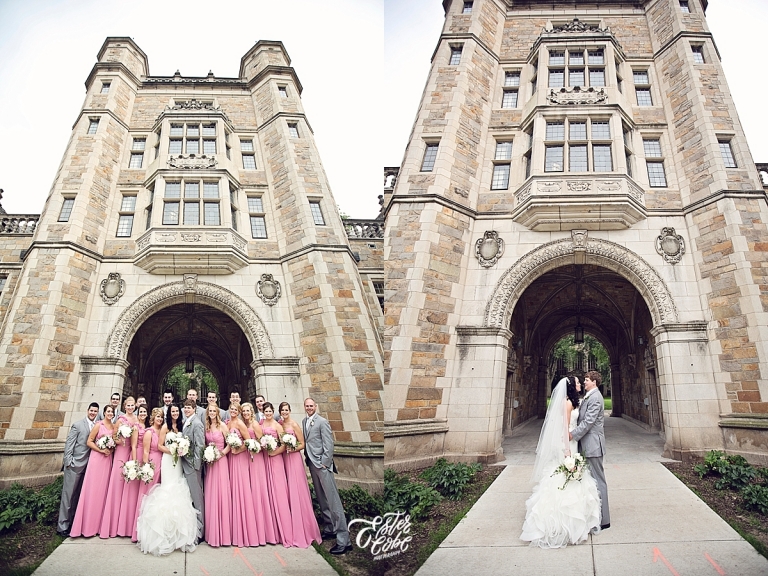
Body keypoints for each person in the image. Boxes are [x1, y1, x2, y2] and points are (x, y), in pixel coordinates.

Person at [520, 376, 601, 548]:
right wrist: (566, 449)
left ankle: (576, 520)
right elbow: (565, 427)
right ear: (572, 386)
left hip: (572, 440)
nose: (581, 384)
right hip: (567, 442)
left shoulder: (572, 401)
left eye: (582, 381)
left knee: (570, 478)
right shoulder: (567, 403)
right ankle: (561, 521)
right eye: (578, 382)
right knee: (564, 476)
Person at [135, 404, 199, 556]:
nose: (175, 413)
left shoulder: (183, 426)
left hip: (178, 463)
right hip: (168, 461)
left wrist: (182, 450)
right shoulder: (165, 427)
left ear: (180, 412)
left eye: (177, 411)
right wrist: (173, 450)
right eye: (173, 411)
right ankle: (163, 533)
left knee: (178, 489)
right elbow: (159, 445)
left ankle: (179, 533)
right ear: (169, 413)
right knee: (167, 489)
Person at [303, 398, 351, 554]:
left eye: (311, 405)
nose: (309, 408)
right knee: (322, 500)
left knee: (333, 502)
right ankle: (329, 528)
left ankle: (344, 540)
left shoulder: (322, 421)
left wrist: (325, 462)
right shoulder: (304, 421)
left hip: (322, 465)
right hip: (312, 463)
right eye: (307, 406)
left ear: (316, 406)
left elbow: (328, 443)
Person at [570, 370, 610, 530]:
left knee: (598, 481)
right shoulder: (590, 396)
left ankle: (604, 519)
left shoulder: (596, 398)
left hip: (593, 445)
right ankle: (593, 515)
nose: (584, 382)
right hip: (587, 444)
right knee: (590, 481)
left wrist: (572, 434)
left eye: (586, 380)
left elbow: (588, 421)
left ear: (594, 382)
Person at [70, 405, 116, 538]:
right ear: (104, 413)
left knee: (103, 491)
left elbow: (114, 444)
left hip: (107, 460)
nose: (110, 414)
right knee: (92, 490)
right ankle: (86, 526)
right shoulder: (98, 425)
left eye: (112, 412)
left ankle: (98, 526)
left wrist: (110, 450)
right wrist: (101, 450)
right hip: (96, 460)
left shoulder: (114, 428)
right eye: (108, 411)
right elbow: (89, 441)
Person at [280, 402, 322, 547]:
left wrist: (293, 448)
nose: (284, 412)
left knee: (297, 489)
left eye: (286, 410)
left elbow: (303, 443)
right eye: (282, 410)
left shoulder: (294, 424)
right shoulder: (280, 424)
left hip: (293, 458)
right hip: (283, 458)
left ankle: (305, 528)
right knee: (287, 492)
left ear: (290, 411)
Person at [57, 402, 99, 537]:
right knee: (68, 497)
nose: (93, 413)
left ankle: (73, 524)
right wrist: (68, 462)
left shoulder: (97, 425)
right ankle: (62, 526)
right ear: (88, 410)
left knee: (78, 497)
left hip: (88, 466)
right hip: (74, 465)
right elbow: (69, 444)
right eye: (91, 410)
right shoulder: (78, 425)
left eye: (95, 411)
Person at [100, 396, 138, 537]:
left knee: (128, 486)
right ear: (124, 406)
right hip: (121, 451)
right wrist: (120, 439)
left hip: (131, 452)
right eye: (128, 405)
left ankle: (125, 522)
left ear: (135, 406)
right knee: (117, 484)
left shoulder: (136, 419)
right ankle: (112, 524)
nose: (130, 407)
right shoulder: (120, 419)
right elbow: (114, 436)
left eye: (132, 405)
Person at [241, 402, 277, 545]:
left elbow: (261, 442)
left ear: (252, 411)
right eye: (243, 411)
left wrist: (254, 447)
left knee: (257, 491)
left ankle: (262, 530)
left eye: (247, 411)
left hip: (256, 459)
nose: (245, 413)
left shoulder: (255, 425)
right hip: (247, 459)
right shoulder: (243, 424)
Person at [226, 402, 259, 547]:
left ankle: (245, 529)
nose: (233, 411)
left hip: (239, 458)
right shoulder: (227, 423)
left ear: (238, 411)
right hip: (230, 459)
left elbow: (248, 441)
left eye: (235, 409)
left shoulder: (240, 423)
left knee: (241, 490)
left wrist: (238, 450)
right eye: (231, 409)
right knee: (232, 490)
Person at [261, 402, 294, 546]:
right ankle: (271, 530)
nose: (268, 413)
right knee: (268, 494)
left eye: (269, 411)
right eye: (265, 411)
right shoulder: (261, 423)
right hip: (265, 460)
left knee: (278, 492)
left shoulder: (277, 425)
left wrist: (274, 453)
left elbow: (283, 444)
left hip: (275, 460)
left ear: (273, 411)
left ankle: (285, 531)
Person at [132, 408, 164, 542]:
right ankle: (140, 531)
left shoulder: (162, 431)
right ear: (153, 418)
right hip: (151, 464)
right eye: (157, 416)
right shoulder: (149, 432)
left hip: (161, 464)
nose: (160, 419)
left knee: (157, 496)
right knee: (147, 495)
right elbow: (145, 452)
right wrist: (146, 468)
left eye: (161, 417)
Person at [116, 404, 148, 537]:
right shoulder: (135, 427)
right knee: (132, 492)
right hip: (136, 457)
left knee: (140, 493)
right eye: (140, 412)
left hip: (145, 457)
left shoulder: (148, 427)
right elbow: (133, 446)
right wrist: (135, 463)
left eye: (144, 412)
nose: (142, 414)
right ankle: (127, 526)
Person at [204, 402, 232, 547]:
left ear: (218, 412)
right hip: (211, 462)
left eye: (214, 411)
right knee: (211, 494)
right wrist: (209, 454)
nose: (212, 413)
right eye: (210, 411)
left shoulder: (222, 426)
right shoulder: (207, 427)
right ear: (208, 412)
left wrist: (220, 454)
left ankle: (225, 533)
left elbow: (230, 444)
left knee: (222, 493)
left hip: (221, 461)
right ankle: (212, 532)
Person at [181, 399, 205, 542]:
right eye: (185, 407)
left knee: (197, 499)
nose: (186, 409)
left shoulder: (197, 423)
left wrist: (197, 466)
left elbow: (200, 446)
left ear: (195, 409)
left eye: (189, 407)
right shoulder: (186, 421)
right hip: (184, 464)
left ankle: (201, 531)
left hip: (192, 466)